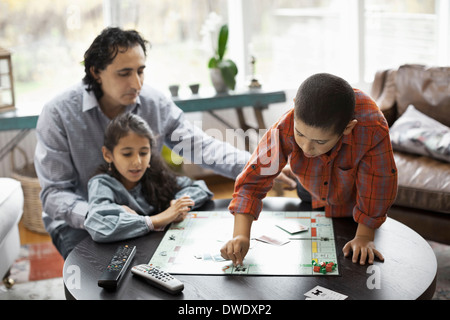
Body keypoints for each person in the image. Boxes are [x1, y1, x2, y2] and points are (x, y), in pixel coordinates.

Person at [34, 27, 296, 259]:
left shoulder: (153, 103)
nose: (136, 83)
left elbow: (200, 146)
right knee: (102, 279)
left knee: (168, 265)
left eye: (140, 71)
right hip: (79, 222)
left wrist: (257, 168)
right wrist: (103, 216)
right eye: (124, 73)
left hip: (147, 210)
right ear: (96, 72)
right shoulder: (58, 114)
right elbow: (55, 194)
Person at [221, 73, 398, 266]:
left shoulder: (373, 127)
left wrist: (364, 236)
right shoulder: (286, 123)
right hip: (310, 190)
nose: (306, 148)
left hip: (355, 199)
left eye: (320, 142)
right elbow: (252, 182)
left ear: (348, 128)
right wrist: (241, 235)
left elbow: (378, 185)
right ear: (295, 106)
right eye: (300, 135)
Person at [84, 112, 213, 242]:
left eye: (144, 153)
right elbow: (97, 224)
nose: (137, 162)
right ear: (107, 155)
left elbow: (199, 187)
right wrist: (157, 220)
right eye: (127, 154)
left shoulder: (156, 174)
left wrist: (179, 205)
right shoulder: (102, 183)